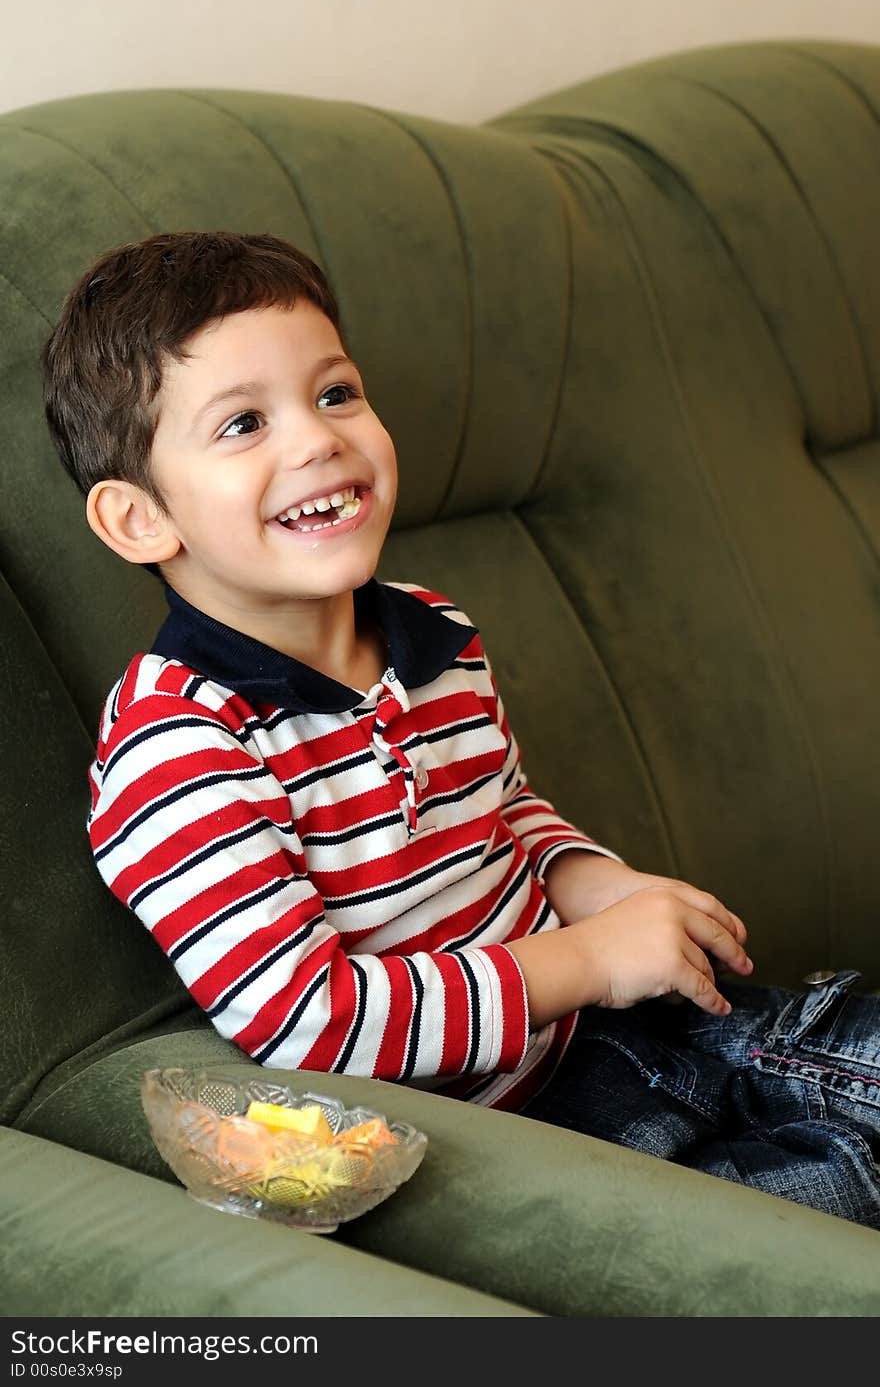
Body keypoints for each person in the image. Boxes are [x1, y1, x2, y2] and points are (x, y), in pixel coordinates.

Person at [41, 230, 880, 1229]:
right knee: (827, 1200)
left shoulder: (433, 636)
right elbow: (313, 1025)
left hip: (619, 1030)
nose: (315, 439)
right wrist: (594, 959)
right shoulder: (179, 748)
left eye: (334, 393)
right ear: (140, 520)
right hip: (512, 1132)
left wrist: (596, 885)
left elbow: (508, 817)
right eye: (242, 425)